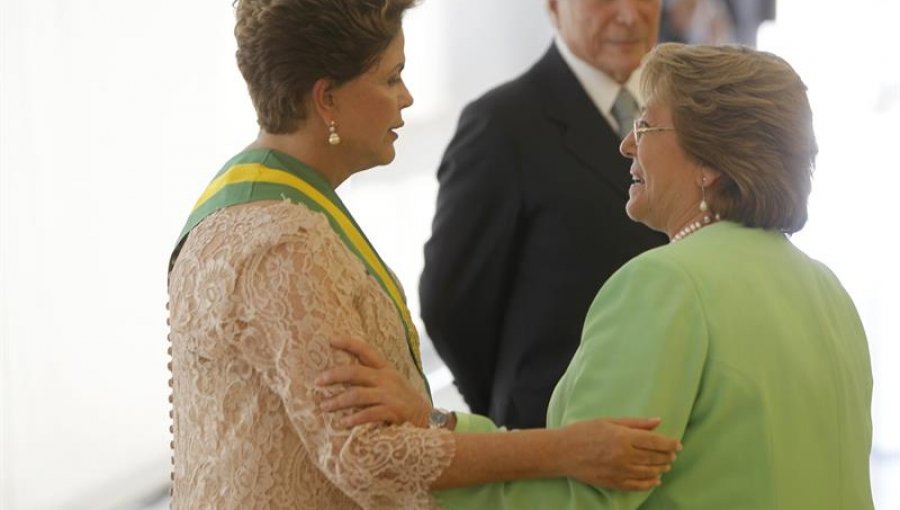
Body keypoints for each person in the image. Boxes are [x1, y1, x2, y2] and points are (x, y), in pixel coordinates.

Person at [166, 1, 680, 509]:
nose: (407, 98)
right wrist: (567, 448)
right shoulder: (281, 244)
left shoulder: (267, 202)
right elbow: (365, 454)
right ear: (327, 99)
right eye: (392, 78)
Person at [324, 43, 875, 509]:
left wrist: (431, 433)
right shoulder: (827, 288)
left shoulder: (666, 285)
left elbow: (579, 499)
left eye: (645, 124)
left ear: (710, 159)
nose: (626, 144)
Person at [419, 0, 669, 429]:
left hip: (672, 416)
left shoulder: (686, 113)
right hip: (555, 433)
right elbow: (451, 304)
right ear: (553, 6)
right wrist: (511, 404)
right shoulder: (501, 125)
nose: (629, 14)